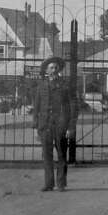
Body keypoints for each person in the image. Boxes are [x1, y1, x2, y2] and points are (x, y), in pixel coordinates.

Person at [31, 56, 77, 192]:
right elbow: (36, 107)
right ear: (46, 70)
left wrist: (71, 126)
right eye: (51, 67)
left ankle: (61, 184)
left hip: (61, 124)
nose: (54, 69)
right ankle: (49, 183)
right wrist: (35, 127)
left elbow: (73, 106)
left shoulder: (65, 85)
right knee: (47, 155)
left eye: (56, 67)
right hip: (45, 125)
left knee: (62, 153)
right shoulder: (41, 86)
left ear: (59, 69)